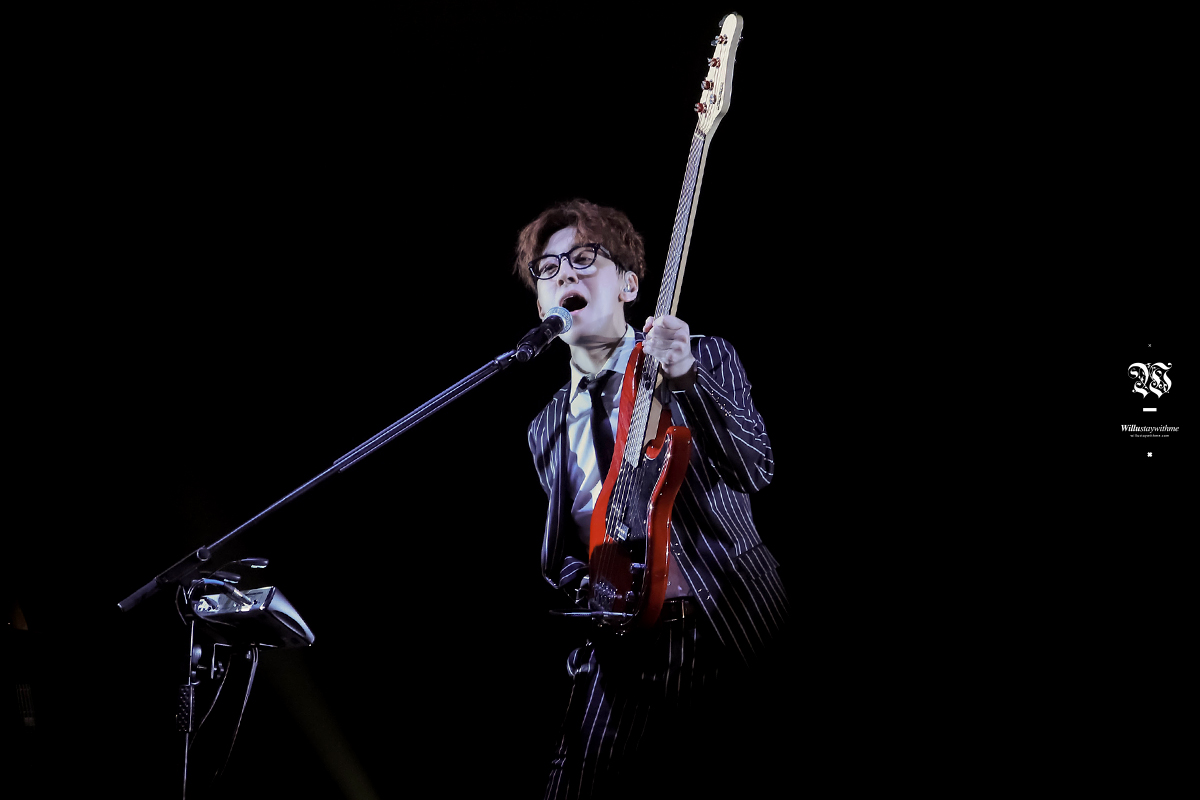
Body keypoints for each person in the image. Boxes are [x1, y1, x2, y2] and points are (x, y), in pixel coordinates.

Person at [515, 199, 788, 799]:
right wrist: (591, 589)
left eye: (584, 258)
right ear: (541, 305)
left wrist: (685, 373)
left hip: (730, 620)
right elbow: (565, 554)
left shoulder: (703, 356)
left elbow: (755, 469)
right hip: (622, 653)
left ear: (630, 285)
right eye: (548, 269)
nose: (563, 274)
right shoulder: (545, 428)